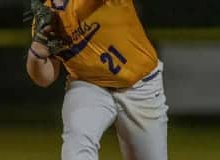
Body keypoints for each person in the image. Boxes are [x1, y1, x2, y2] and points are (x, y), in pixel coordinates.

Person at [26, 0, 169, 160]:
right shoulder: (47, 16)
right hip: (89, 85)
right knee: (77, 142)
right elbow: (45, 78)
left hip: (141, 86)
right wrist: (38, 49)